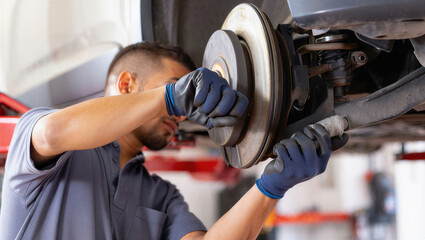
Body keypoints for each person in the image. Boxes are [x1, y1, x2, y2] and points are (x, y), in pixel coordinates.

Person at [0, 42, 347, 240]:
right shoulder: (53, 147)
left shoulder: (159, 195)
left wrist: (271, 186)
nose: (183, 114)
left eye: (185, 98)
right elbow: (52, 133)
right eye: (174, 85)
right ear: (125, 86)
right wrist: (169, 97)